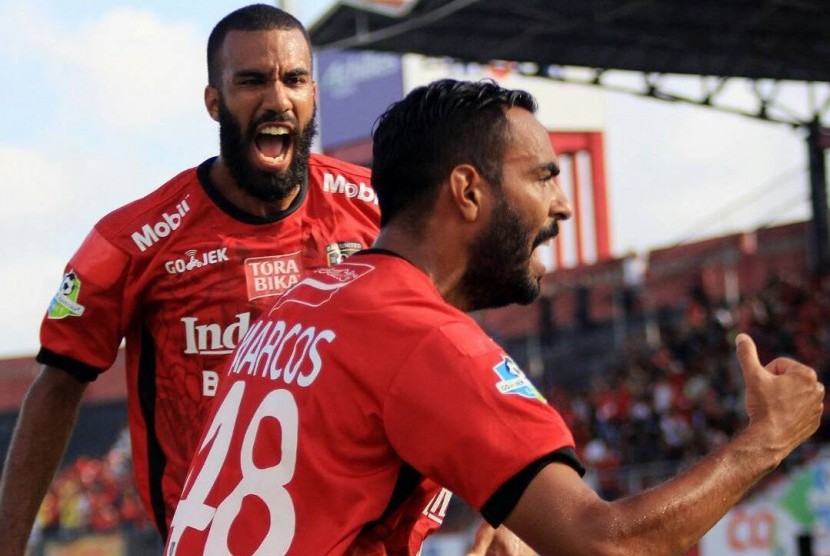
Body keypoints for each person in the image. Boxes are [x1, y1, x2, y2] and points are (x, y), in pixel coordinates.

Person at [164, 78, 825, 555]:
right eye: (542, 177)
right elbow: (605, 546)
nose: (563, 206)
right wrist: (769, 438)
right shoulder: (422, 337)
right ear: (469, 191)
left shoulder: (307, 305)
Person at [0, 6, 529, 555]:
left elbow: (457, 355)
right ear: (214, 103)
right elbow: (57, 385)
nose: (277, 99)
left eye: (294, 79)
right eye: (251, 80)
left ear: (314, 96)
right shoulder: (135, 242)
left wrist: (507, 507)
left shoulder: (381, 209)